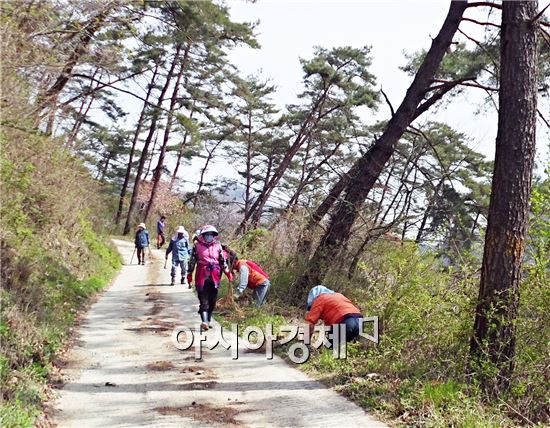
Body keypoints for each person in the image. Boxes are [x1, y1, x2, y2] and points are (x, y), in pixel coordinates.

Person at [187, 225, 230, 330]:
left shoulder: (218, 246)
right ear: (203, 235)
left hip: (215, 276)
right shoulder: (197, 246)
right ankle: (204, 321)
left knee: (212, 300)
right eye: (207, 235)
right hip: (202, 275)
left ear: (214, 236)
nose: (209, 237)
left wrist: (227, 272)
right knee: (203, 299)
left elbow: (222, 261)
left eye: (211, 235)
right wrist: (189, 274)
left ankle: (208, 320)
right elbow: (192, 261)